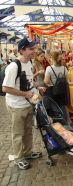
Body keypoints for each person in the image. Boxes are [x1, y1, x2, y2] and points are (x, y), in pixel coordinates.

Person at [2, 38, 44, 170]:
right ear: (22, 50)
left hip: (27, 104)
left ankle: (27, 152)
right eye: (31, 49)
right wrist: (26, 94)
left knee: (28, 131)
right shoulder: (14, 66)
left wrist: (38, 86)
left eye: (34, 48)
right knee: (18, 133)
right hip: (16, 105)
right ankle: (19, 157)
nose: (34, 51)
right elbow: (5, 88)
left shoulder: (29, 62)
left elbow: (29, 82)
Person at [44, 51, 72, 124]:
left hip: (52, 90)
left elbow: (46, 82)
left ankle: (54, 120)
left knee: (52, 105)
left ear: (52, 59)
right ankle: (68, 120)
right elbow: (67, 80)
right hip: (62, 90)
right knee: (64, 105)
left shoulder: (49, 68)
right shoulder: (64, 68)